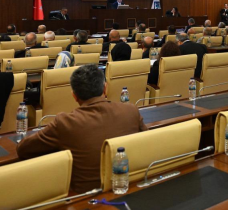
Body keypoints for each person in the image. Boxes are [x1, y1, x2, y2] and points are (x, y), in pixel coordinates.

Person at [16, 64, 147, 193]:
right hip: (130, 190)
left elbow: (23, 149)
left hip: (83, 197)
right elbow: (149, 141)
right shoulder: (131, 111)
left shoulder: (65, 123)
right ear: (105, 89)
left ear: (74, 96)